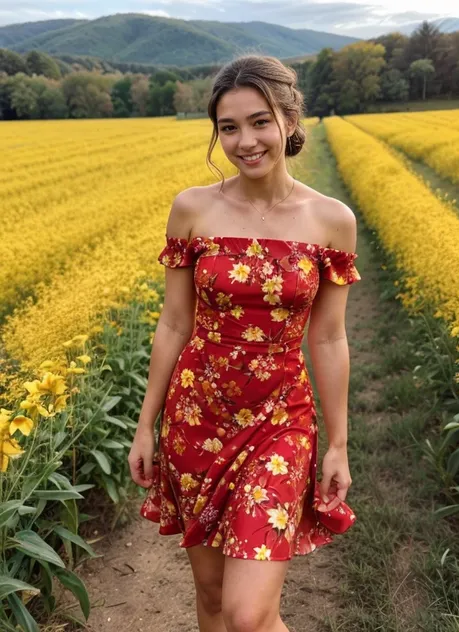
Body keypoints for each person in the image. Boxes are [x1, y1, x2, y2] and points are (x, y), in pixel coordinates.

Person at [128, 54, 362, 632]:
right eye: (228, 127)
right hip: (197, 416)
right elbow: (174, 324)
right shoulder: (193, 208)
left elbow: (328, 338)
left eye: (259, 122)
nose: (244, 141)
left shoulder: (331, 220)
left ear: (289, 118)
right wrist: (144, 424)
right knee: (210, 599)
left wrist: (338, 443)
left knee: (249, 614)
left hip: (280, 419)